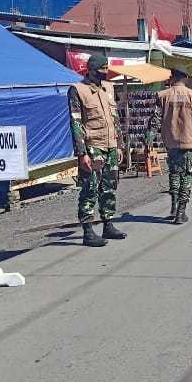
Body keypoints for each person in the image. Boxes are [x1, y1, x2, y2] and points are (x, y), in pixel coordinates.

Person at [68, 53, 126, 247]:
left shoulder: (109, 87)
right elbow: (75, 123)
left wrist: (119, 145)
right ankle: (88, 231)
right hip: (93, 148)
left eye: (106, 68)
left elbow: (115, 118)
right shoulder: (78, 90)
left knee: (109, 187)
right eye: (102, 69)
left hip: (110, 147)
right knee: (90, 188)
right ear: (91, 70)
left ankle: (108, 224)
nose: (105, 72)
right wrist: (81, 152)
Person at [147, 65, 192, 224]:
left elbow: (155, 120)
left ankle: (173, 207)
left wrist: (149, 139)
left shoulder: (162, 95)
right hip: (188, 142)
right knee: (186, 176)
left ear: (171, 77)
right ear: (186, 78)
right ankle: (181, 212)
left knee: (174, 173)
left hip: (171, 142)